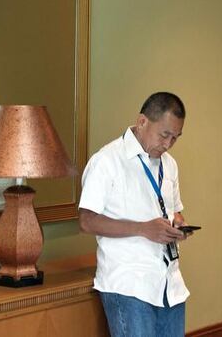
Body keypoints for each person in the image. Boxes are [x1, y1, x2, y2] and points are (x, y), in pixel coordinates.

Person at [79, 92, 192, 337]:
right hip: (129, 285)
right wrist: (143, 228)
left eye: (175, 137)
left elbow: (175, 210)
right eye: (164, 135)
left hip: (169, 283)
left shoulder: (169, 164)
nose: (168, 144)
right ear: (142, 122)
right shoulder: (106, 161)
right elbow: (87, 221)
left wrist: (178, 225)